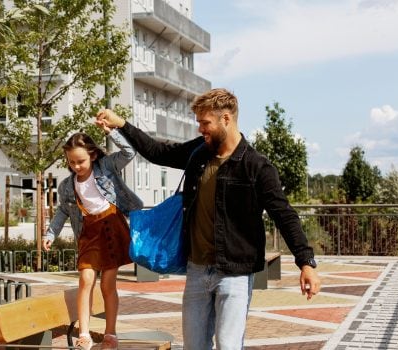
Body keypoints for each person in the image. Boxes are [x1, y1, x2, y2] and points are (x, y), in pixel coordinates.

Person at [95, 88, 321, 350]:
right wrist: (121, 124)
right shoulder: (199, 154)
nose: (201, 129)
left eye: (205, 123)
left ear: (226, 119)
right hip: (197, 270)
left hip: (234, 272)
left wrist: (306, 262)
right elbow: (158, 152)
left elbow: (284, 215)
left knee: (228, 345)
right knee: (194, 346)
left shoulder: (256, 166)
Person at [42, 130, 143, 350]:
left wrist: (112, 132)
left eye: (81, 161)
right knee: (85, 280)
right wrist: (50, 234)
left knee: (108, 285)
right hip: (89, 231)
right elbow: (62, 212)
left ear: (93, 155)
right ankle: (84, 334)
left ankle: (111, 333)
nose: (76, 166)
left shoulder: (105, 167)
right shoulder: (67, 186)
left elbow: (129, 152)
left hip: (112, 226)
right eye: (71, 162)